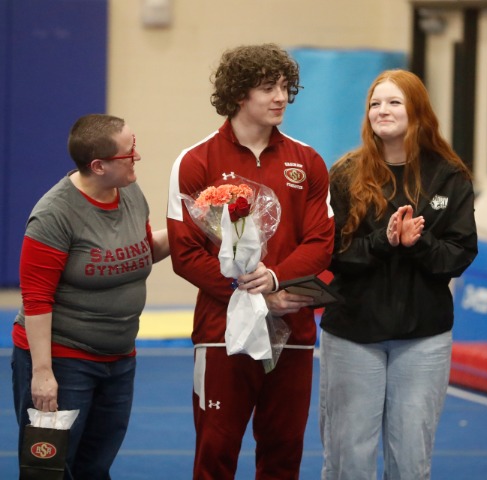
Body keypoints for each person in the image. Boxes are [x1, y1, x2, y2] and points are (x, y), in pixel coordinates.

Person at [166, 43, 334, 479]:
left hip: (292, 329)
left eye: (285, 87)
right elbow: (185, 254)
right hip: (222, 333)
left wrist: (276, 280)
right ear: (239, 94)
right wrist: (254, 299)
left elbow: (321, 242)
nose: (281, 97)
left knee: (283, 456)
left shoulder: (308, 160)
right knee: (215, 454)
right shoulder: (195, 160)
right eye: (268, 88)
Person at [319, 69, 478, 479]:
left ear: (418, 110)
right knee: (349, 458)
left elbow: (459, 256)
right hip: (354, 331)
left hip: (422, 336)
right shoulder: (345, 174)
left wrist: (417, 243)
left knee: (410, 460)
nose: (382, 110)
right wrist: (384, 241)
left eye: (394, 102)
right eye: (375, 103)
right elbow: (330, 255)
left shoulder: (449, 175)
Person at [11, 113, 170, 479]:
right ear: (99, 166)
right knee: (50, 471)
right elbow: (36, 299)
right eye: (129, 152)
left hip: (119, 359)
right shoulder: (54, 215)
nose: (137, 156)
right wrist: (43, 374)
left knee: (95, 467)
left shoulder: (129, 191)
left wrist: (196, 228)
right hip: (65, 361)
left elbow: (142, 250)